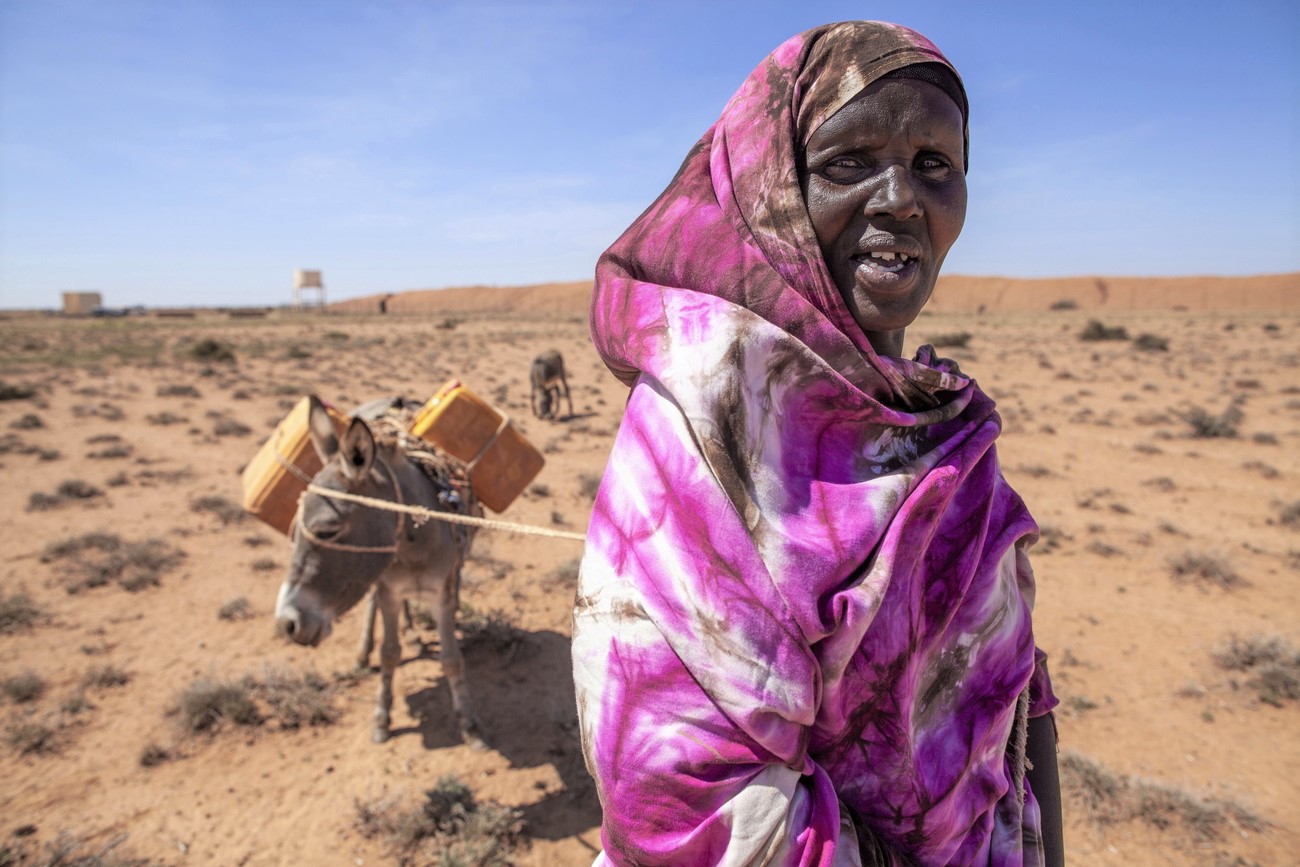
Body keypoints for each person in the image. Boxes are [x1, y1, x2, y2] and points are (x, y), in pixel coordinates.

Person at [572, 20, 1062, 867]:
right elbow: (680, 805)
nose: (901, 198)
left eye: (933, 165)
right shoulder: (711, 429)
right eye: (848, 163)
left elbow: (1015, 695)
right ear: (771, 190)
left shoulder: (934, 420)